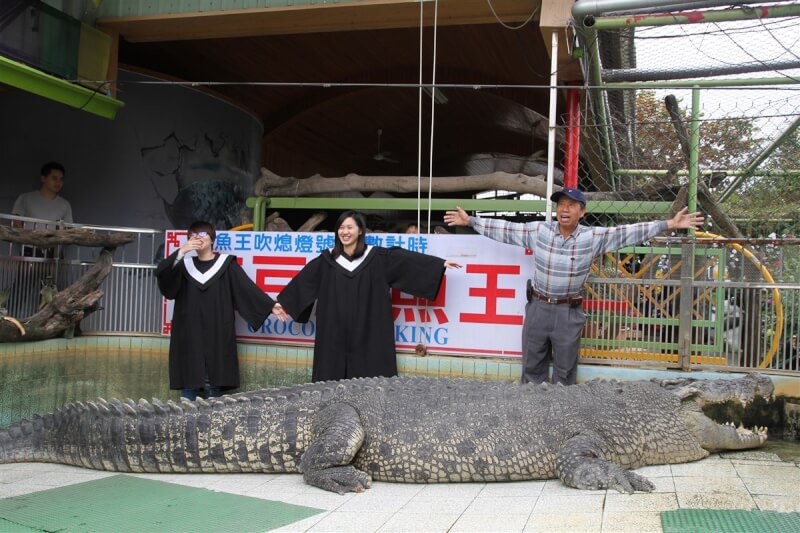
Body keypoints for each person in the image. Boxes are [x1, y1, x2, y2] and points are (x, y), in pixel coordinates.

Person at [444, 187, 704, 385]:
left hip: (569, 313)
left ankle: (559, 422)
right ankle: (528, 419)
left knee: (565, 373)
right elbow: (506, 229)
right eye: (561, 205)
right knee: (532, 367)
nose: (564, 210)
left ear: (582, 212)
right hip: (538, 308)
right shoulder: (540, 232)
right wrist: (471, 222)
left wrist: (669, 224)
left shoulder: (592, 238)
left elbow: (628, 231)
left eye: (571, 205)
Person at [277, 211, 461, 382]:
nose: (345, 232)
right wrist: (281, 304)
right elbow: (303, 284)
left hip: (370, 331)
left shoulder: (377, 258)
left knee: (371, 382)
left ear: (360, 231)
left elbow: (407, 262)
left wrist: (440, 264)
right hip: (333, 333)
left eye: (350, 227)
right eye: (341, 228)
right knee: (330, 382)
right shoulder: (326, 261)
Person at [156, 220, 287, 401]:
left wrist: (269, 305)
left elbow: (246, 289)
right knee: (188, 383)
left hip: (217, 329)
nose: (198, 239)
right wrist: (182, 250)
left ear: (212, 239)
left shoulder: (226, 265)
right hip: (188, 331)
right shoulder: (183, 266)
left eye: (202, 235)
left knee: (213, 383)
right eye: (193, 236)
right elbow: (163, 275)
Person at [12, 162, 73, 228]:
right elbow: (16, 225)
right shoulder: (25, 198)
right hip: (28, 238)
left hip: (54, 238)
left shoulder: (65, 204)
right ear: (43, 178)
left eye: (61, 179)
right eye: (54, 178)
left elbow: (68, 230)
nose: (58, 182)